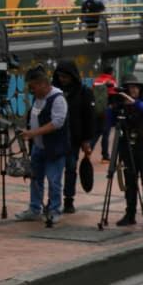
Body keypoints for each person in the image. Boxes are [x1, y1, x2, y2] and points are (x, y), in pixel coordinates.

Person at [16, 65, 69, 223]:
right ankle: (34, 209)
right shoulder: (37, 98)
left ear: (43, 84)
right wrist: (28, 131)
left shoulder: (58, 99)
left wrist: (33, 133)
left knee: (54, 181)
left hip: (54, 149)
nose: (31, 91)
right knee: (35, 179)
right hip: (38, 147)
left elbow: (57, 123)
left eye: (33, 87)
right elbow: (34, 117)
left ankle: (54, 210)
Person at [109, 74, 143, 229]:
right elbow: (110, 121)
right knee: (130, 183)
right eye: (130, 88)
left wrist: (134, 103)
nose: (133, 90)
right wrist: (113, 105)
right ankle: (130, 215)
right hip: (127, 147)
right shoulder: (121, 104)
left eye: (136, 87)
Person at [52, 61, 94, 215]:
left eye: (65, 76)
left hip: (73, 139)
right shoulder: (53, 91)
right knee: (54, 171)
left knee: (70, 168)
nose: (62, 79)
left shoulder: (84, 92)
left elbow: (89, 117)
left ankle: (69, 199)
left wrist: (86, 140)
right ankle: (53, 200)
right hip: (55, 138)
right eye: (60, 76)